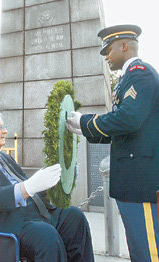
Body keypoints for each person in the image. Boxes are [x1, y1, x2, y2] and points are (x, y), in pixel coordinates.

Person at [66, 24, 159, 262]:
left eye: (108, 50)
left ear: (124, 46)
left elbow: (129, 119)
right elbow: (124, 128)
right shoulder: (128, 77)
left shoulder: (140, 73)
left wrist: (86, 121)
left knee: (148, 249)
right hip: (133, 180)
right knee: (139, 247)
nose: (106, 56)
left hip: (141, 181)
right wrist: (84, 129)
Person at [0, 111, 94, 262]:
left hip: (34, 213)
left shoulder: (5, 158)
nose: (5, 131)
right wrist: (27, 187)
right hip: (7, 220)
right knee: (46, 235)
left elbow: (32, 190)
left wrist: (57, 179)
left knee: (74, 216)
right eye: (0, 127)